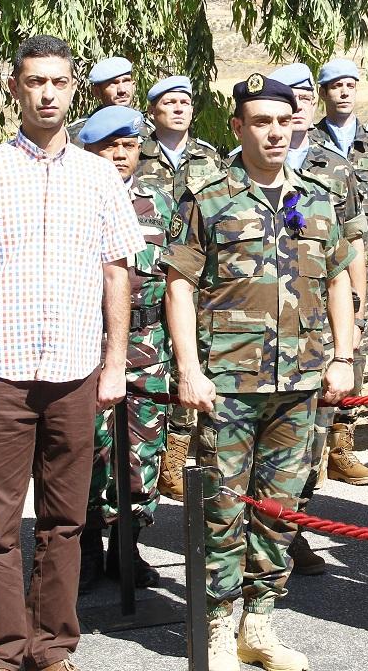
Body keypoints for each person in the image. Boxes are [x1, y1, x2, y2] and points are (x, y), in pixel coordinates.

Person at [0, 35, 143, 671]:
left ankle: (52, 646)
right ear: (14, 89)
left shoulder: (99, 175)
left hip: (75, 369)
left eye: (57, 81)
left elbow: (117, 272)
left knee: (65, 519)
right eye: (34, 81)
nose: (47, 94)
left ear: (73, 88)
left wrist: (114, 363)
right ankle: (1, 650)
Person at [162, 73, 355, 671]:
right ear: (239, 127)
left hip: (300, 381)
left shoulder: (318, 197)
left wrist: (344, 357)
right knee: (222, 509)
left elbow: (341, 279)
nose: (275, 132)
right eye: (261, 122)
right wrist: (189, 369)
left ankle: (259, 623)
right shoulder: (209, 197)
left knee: (280, 509)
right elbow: (179, 284)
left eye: (283, 121)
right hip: (228, 381)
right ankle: (218, 626)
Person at [266, 63, 368, 575]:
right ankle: (259, 539)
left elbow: (353, 243)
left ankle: (293, 528)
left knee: (311, 439)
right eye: (292, 98)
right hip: (258, 334)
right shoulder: (238, 166)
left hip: (318, 328)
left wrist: (358, 307)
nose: (301, 105)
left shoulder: (335, 167)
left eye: (307, 96)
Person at [75, 106, 174, 593]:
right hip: (87, 343)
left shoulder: (160, 203)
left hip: (148, 345)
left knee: (143, 449)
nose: (119, 154)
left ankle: (126, 545)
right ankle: (86, 549)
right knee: (88, 448)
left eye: (128, 145)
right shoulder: (73, 197)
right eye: (108, 146)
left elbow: (178, 280)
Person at [137, 74, 224, 500]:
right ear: (153, 111)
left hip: (193, 278)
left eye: (184, 102)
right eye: (168, 103)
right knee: (160, 368)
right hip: (149, 275)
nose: (177, 109)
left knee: (192, 361)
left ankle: (179, 457)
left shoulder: (210, 156)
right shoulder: (138, 153)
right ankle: (156, 459)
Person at [310, 58, 368, 487]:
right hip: (317, 270)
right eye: (335, 86)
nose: (343, 92)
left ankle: (342, 447)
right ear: (323, 93)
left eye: (350, 85)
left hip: (364, 269)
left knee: (354, 356)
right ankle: (313, 453)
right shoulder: (308, 140)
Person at [66, 56, 138, 141]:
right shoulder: (79, 133)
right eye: (113, 84)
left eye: (126, 81)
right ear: (96, 92)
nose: (122, 90)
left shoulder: (146, 129)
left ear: (134, 86)